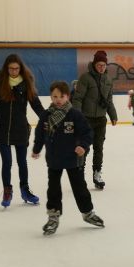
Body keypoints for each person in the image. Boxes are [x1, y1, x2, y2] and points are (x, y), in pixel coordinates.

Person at [32, 81, 104, 235]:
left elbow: (87, 133)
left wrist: (82, 146)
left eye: (61, 96)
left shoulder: (75, 114)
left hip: (73, 159)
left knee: (80, 188)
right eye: (54, 96)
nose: (58, 100)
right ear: (51, 97)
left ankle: (88, 213)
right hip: (54, 159)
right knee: (53, 189)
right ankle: (53, 217)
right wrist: (37, 149)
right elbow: (40, 133)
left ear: (67, 96)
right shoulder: (46, 115)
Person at [0, 54, 44, 208]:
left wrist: (46, 119)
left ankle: (25, 190)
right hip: (2, 128)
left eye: (16, 68)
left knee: (22, 162)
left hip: (20, 128)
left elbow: (36, 104)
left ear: (21, 68)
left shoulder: (26, 83)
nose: (14, 71)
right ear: (6, 68)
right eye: (11, 68)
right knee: (7, 162)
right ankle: (7, 190)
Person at [72, 50, 118, 190]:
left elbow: (109, 100)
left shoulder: (108, 80)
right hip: (86, 119)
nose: (101, 67)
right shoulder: (85, 78)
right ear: (94, 64)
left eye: (103, 65)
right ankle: (79, 174)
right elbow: (78, 98)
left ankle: (97, 173)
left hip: (101, 119)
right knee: (84, 147)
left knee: (99, 148)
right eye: (99, 65)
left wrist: (113, 115)